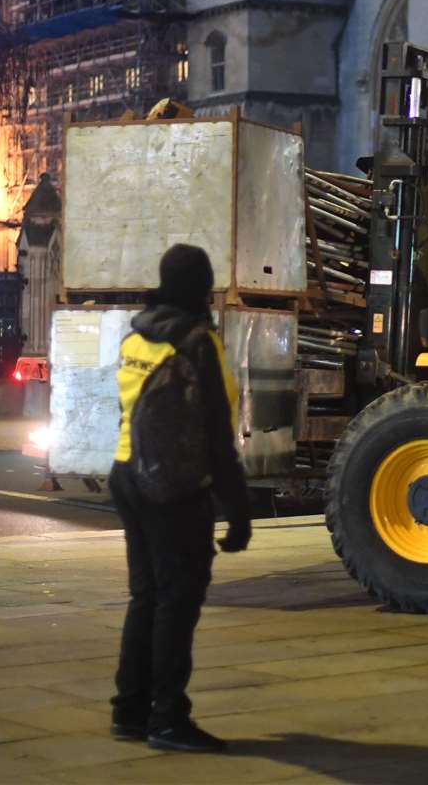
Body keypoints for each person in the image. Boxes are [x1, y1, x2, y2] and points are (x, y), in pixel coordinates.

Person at [109, 243, 251, 755]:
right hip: (173, 490)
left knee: (145, 596)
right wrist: (238, 513)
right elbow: (217, 436)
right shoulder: (195, 343)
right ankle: (168, 718)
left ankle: (129, 710)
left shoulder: (138, 334)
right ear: (199, 286)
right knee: (176, 601)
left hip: (127, 474)